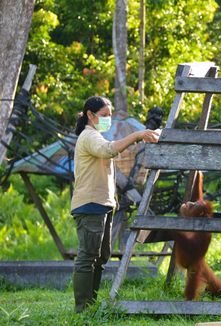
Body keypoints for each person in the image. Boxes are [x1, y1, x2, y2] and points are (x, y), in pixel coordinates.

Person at [71, 96, 160, 312]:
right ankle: (82, 308)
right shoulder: (89, 136)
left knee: (100, 257)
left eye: (110, 115)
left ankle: (90, 304)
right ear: (90, 116)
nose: (108, 119)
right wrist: (137, 135)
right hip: (90, 205)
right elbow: (109, 150)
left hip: (103, 205)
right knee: (87, 257)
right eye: (104, 115)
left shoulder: (96, 135)